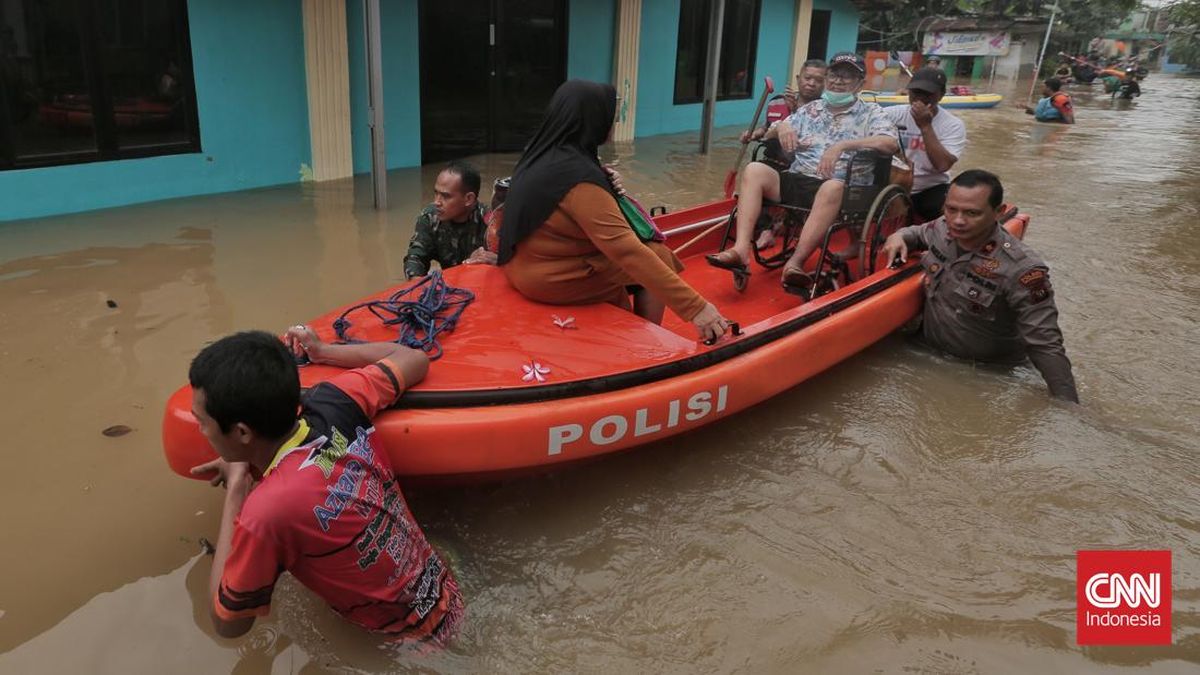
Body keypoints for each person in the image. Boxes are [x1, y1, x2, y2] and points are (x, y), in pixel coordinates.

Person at [188, 329, 464, 642]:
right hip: (444, 585)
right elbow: (413, 358)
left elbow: (228, 624)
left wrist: (237, 486)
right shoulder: (335, 401)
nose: (199, 429)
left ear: (242, 433)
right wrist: (324, 351)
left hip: (410, 639)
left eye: (201, 421)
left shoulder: (267, 512)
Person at [498, 79, 731, 343]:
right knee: (658, 258)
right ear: (594, 119)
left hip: (524, 266)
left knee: (651, 257)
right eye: (611, 114)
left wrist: (603, 180)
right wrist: (697, 308)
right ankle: (644, 340)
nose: (614, 121)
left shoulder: (542, 155)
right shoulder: (579, 179)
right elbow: (625, 249)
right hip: (551, 280)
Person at [706, 52, 898, 292]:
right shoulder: (811, 109)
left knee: (832, 186)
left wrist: (843, 146)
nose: (838, 81)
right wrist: (783, 126)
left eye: (847, 76)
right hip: (800, 179)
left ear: (861, 83)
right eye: (835, 74)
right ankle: (741, 249)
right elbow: (770, 131)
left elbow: (890, 143)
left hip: (841, 188)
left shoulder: (873, 114)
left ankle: (795, 263)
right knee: (755, 169)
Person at [880, 170, 1078, 402]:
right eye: (951, 209)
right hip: (926, 352)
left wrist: (1067, 404)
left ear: (998, 212)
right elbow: (916, 233)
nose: (958, 220)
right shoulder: (942, 228)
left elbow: (1045, 344)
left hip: (987, 374)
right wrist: (898, 237)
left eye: (972, 213)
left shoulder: (1022, 269)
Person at [885, 67, 966, 223]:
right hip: (893, 184)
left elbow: (942, 165)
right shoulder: (892, 114)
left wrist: (925, 126)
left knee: (949, 213)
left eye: (927, 94)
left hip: (929, 188)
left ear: (941, 95)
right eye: (916, 92)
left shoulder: (953, 124)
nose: (920, 99)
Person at [404, 161, 489, 279]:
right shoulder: (430, 217)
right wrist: (418, 283)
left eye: (445, 196)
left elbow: (513, 263)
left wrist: (495, 260)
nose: (437, 202)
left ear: (468, 199)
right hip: (450, 285)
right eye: (436, 193)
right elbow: (415, 258)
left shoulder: (490, 223)